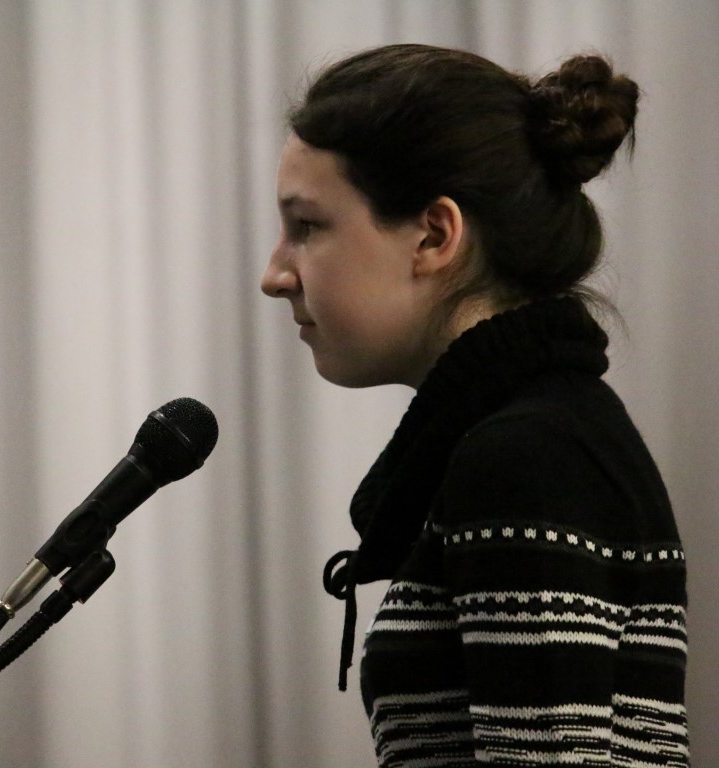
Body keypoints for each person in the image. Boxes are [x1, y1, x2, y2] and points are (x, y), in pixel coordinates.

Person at [261, 45, 688, 767]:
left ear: (434, 235)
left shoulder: (529, 455)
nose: (275, 274)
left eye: (306, 226)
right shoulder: (534, 436)